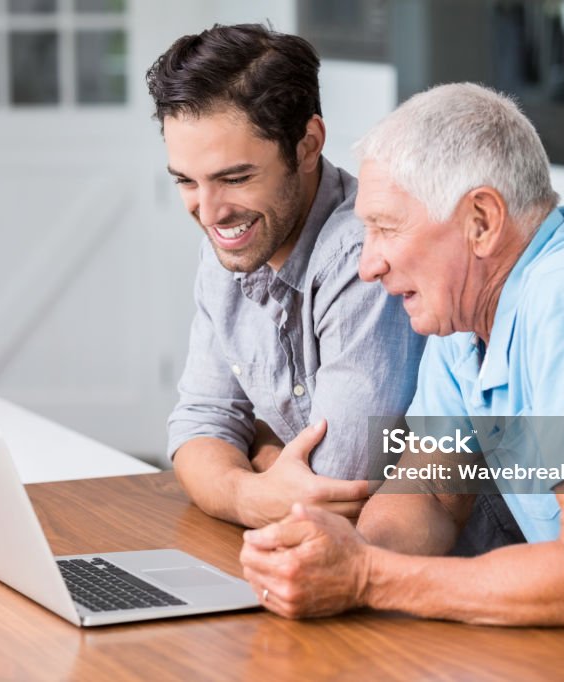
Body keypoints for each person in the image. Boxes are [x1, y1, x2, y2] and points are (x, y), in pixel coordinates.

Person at [240, 83, 564, 680]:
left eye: (387, 229)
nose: (369, 265)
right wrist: (342, 560)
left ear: (482, 221)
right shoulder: (465, 328)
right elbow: (431, 492)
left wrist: (368, 577)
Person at [143, 24, 430, 529]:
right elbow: (197, 425)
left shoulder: (364, 255)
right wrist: (250, 492)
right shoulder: (232, 244)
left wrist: (251, 448)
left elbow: (338, 484)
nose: (209, 213)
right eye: (187, 181)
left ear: (307, 145)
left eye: (235, 178)